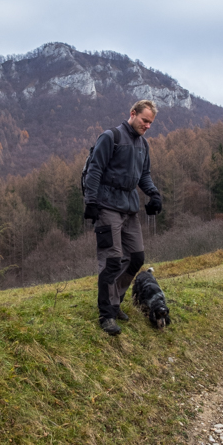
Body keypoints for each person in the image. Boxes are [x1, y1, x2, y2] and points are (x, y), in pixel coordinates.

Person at [83, 100, 162, 335]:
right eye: (144, 120)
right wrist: (91, 202)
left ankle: (114, 301)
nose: (147, 126)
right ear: (133, 114)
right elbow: (95, 169)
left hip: (130, 208)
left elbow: (144, 175)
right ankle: (106, 314)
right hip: (106, 206)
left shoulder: (143, 145)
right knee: (112, 260)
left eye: (150, 123)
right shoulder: (111, 137)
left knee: (136, 257)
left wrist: (154, 194)